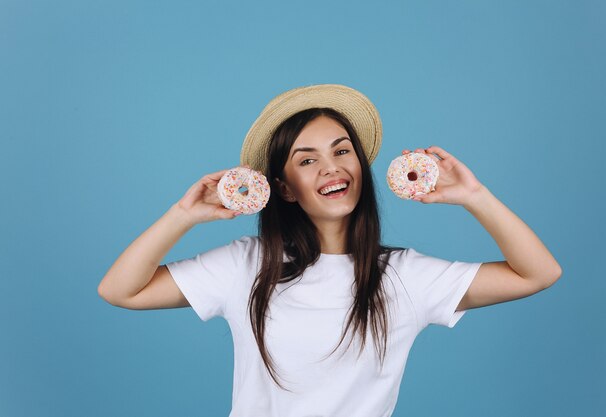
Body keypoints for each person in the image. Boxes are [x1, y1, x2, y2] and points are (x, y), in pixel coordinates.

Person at [98, 84, 562, 417]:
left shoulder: (404, 276)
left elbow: (537, 274)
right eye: (306, 159)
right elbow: (121, 290)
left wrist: (475, 196)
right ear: (283, 188)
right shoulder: (247, 265)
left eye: (342, 151)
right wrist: (184, 215)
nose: (330, 168)